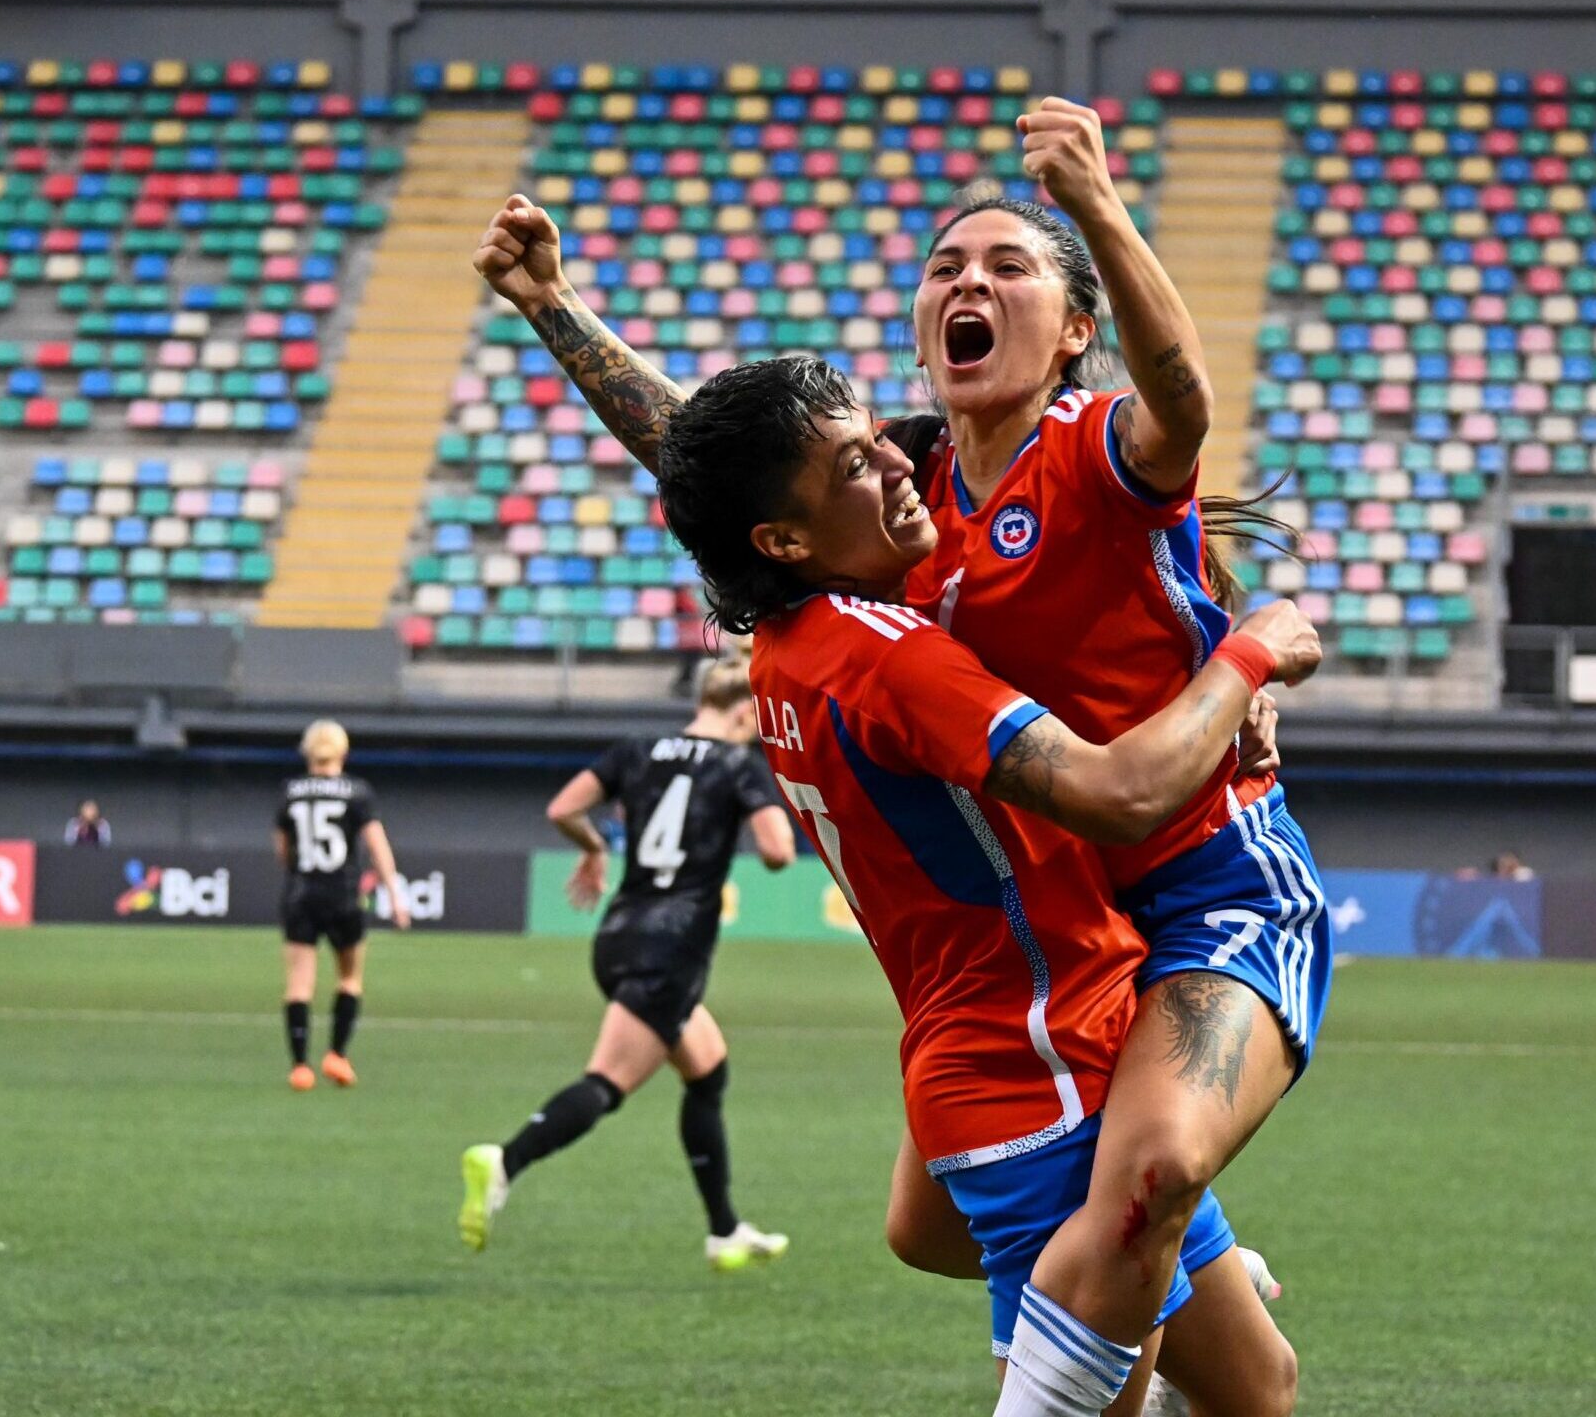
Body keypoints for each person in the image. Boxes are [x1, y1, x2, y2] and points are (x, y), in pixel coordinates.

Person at [474, 98, 1338, 1399]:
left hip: (1209, 873)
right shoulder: (907, 488)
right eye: (945, 266)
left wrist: (1097, 203)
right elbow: (723, 464)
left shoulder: (1094, 453)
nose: (969, 280)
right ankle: (1159, 1270)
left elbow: (1182, 402)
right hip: (1077, 885)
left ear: (1073, 332)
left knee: (1142, 1177)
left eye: (1008, 264)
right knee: (942, 1233)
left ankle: (1139, 1246)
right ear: (922, 332)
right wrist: (555, 305)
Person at [659, 356, 1315, 1417]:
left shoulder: (790, 637)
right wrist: (1251, 654)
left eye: (876, 436)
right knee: (1116, 1285)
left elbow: (704, 461)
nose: (892, 462)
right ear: (782, 540)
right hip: (1041, 1066)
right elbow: (1120, 793)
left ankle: (1143, 1273)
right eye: (854, 466)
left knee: (1258, 1388)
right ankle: (1119, 1277)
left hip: (992, 1046)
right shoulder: (884, 654)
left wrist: (553, 310)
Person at [460, 659, 799, 1272]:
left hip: (620, 932)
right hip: (671, 949)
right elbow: (777, 851)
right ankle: (504, 1161)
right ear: (744, 712)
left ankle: (724, 1230)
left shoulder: (638, 749)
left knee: (707, 1071)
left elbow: (563, 807)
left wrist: (594, 849)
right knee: (606, 1084)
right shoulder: (736, 764)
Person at [273, 720, 410, 1092]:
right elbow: (378, 846)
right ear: (342, 752)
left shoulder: (290, 791)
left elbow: (283, 850)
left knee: (299, 984)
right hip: (343, 895)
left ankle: (300, 1066)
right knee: (349, 978)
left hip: (301, 894)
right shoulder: (357, 793)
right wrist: (395, 896)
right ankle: (336, 1054)